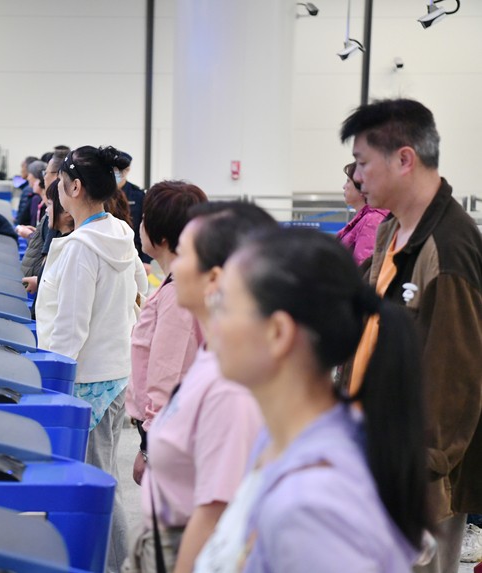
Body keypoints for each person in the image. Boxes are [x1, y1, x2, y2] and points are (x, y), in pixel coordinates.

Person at [194, 227, 431, 572]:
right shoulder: (280, 437)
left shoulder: (311, 508)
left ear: (278, 332)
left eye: (223, 305)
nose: (211, 322)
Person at [340, 98, 482, 573]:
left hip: (419, 477)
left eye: (362, 163)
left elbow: (456, 379)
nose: (357, 177)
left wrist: (417, 475)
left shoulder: (449, 247)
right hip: (379, 449)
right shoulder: (393, 230)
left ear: (404, 159)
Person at [126, 202, 272, 573]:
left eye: (185, 254)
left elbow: (214, 511)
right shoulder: (213, 357)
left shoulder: (230, 388)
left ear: (214, 278)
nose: (175, 266)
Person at [35, 145, 148, 573]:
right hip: (114, 376)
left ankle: (120, 565)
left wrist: (51, 389)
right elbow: (140, 291)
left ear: (75, 188)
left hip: (85, 383)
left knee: (96, 486)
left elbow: (70, 331)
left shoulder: (82, 248)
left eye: (61, 184)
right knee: (102, 478)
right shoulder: (119, 231)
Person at [124, 181, 208, 486]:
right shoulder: (178, 283)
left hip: (173, 441)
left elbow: (168, 378)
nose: (140, 224)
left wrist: (149, 450)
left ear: (161, 236)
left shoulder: (177, 295)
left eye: (145, 218)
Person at [22, 151, 66, 279]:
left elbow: (48, 257)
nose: (43, 177)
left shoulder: (59, 211)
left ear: (58, 175)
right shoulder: (51, 209)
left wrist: (39, 281)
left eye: (45, 173)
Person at [335, 162, 388, 265]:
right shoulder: (364, 219)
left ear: (361, 187)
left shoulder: (372, 220)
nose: (344, 186)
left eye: (348, 181)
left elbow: (364, 266)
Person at [116, 152, 152, 273]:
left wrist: (146, 260)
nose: (118, 173)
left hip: (133, 251)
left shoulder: (138, 195)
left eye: (121, 170)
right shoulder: (102, 193)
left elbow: (146, 225)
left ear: (128, 170)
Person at [14, 155, 40, 225]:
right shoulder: (27, 187)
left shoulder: (28, 190)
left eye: (22, 167)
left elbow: (22, 217)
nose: (21, 170)